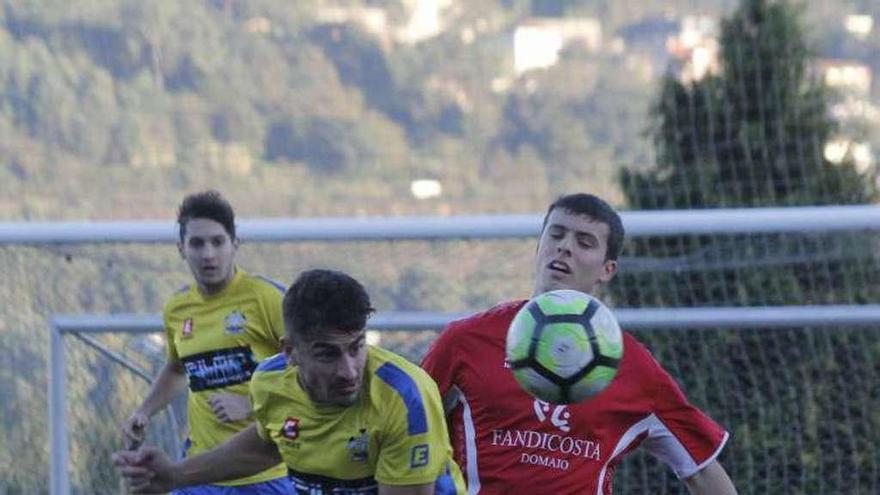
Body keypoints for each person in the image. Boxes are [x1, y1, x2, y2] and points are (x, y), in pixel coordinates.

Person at [421, 193, 738, 495]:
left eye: (584, 242)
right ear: (539, 245)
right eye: (556, 235)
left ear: (607, 269)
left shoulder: (633, 366)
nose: (564, 248)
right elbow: (403, 429)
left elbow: (702, 469)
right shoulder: (466, 341)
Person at [115, 268, 467, 495]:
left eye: (357, 347)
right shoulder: (269, 382)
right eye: (328, 354)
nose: (349, 370)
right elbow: (268, 444)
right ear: (289, 352)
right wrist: (175, 475)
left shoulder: (404, 397)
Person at [120, 190, 292, 494]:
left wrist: (251, 406)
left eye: (217, 241)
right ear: (181, 249)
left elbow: (309, 374)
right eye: (197, 243)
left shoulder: (266, 298)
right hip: (201, 474)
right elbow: (176, 369)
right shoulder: (177, 309)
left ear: (235, 244)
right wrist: (143, 412)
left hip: (269, 472)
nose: (208, 254)